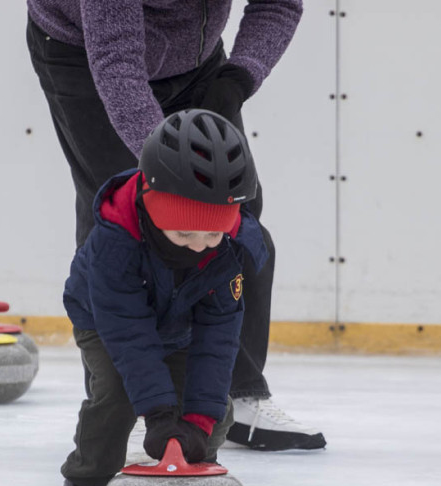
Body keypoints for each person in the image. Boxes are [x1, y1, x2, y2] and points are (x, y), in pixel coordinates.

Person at [27, 0, 326, 451]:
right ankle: (121, 403)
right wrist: (167, 167)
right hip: (86, 56)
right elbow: (117, 61)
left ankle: (237, 394)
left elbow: (279, 4)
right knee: (121, 214)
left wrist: (239, 75)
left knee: (231, 214)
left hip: (200, 63)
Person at [55, 109, 267, 486]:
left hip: (181, 320)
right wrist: (157, 414)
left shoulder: (229, 250)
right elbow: (128, 334)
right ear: (154, 207)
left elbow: (218, 341)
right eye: (184, 233)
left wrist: (196, 425)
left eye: (212, 233)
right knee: (116, 395)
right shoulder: (115, 242)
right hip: (105, 321)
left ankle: (195, 466)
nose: (199, 247)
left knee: (213, 408)